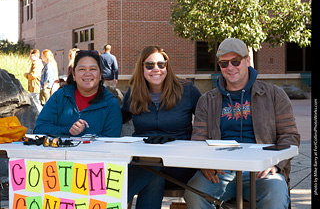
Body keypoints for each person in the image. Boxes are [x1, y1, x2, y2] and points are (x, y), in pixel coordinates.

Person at [184, 38, 300, 209]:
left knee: (275, 194)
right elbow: (199, 139)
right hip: (221, 171)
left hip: (261, 170)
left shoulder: (274, 95)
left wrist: (276, 164)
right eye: (224, 63)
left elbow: (289, 137)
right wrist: (204, 164)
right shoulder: (207, 100)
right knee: (194, 193)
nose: (230, 67)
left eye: (236, 61)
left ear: (248, 61)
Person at [122, 46, 202, 209]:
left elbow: (207, 119)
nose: (156, 69)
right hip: (143, 162)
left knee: (151, 166)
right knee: (153, 179)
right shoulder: (134, 93)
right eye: (149, 65)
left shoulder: (186, 91)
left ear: (167, 66)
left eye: (161, 64)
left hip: (180, 164)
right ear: (142, 67)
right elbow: (117, 118)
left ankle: (111, 201)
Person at [34, 50, 122, 137]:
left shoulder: (111, 104)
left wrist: (85, 133)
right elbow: (39, 128)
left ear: (100, 75)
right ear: (74, 75)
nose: (87, 73)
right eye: (82, 69)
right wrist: (68, 130)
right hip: (59, 151)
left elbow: (112, 141)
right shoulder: (60, 97)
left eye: (93, 69)